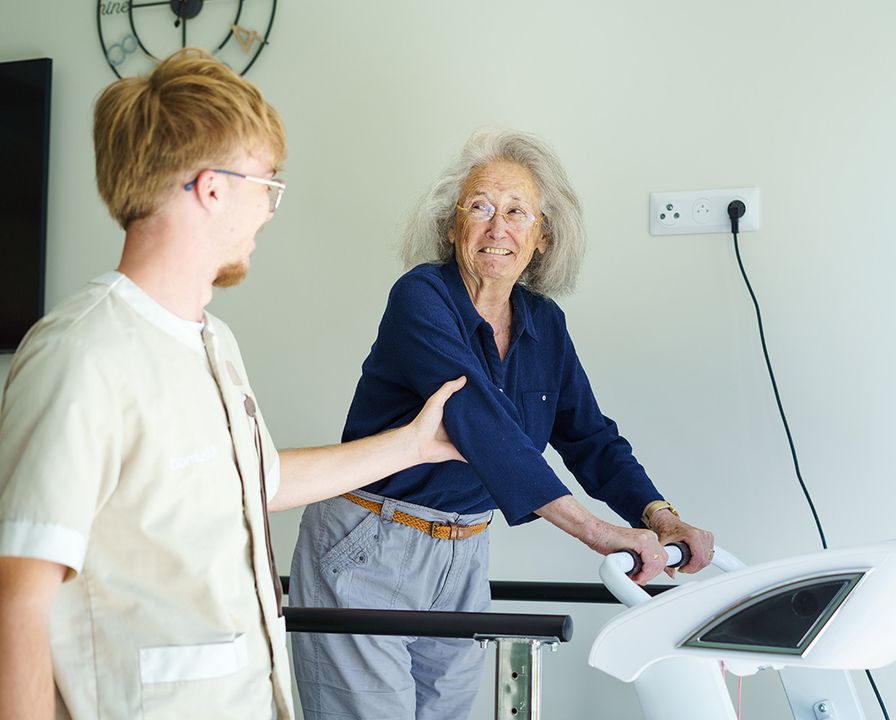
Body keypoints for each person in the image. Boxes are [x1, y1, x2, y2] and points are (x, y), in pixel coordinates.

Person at [0, 49, 465, 720]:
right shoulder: (81, 354)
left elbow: (260, 480)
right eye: (267, 184)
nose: (269, 211)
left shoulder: (214, 344)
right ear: (212, 187)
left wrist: (414, 445)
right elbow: (17, 593)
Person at [289, 129, 716, 719]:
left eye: (517, 212)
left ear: (542, 237)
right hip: (371, 543)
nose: (498, 228)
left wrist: (660, 517)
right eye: (480, 208)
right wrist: (597, 532)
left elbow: (590, 437)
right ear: (450, 225)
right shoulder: (421, 297)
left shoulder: (545, 323)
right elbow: (480, 424)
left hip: (464, 553)